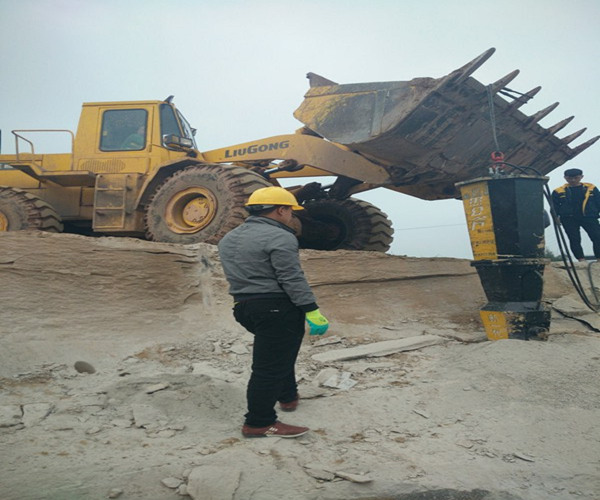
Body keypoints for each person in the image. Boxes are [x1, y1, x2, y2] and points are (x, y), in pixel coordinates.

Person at [217, 186, 329, 438]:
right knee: (268, 368)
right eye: (290, 211)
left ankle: (288, 396)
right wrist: (311, 309)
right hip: (276, 308)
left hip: (243, 306)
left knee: (279, 353)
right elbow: (291, 278)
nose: (291, 216)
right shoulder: (280, 237)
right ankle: (259, 422)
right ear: (281, 210)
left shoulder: (229, 238)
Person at [552, 168, 600, 262]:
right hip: (568, 218)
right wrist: (555, 218)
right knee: (574, 239)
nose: (573, 180)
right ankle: (581, 259)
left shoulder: (591, 188)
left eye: (576, 177)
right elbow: (554, 207)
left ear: (581, 177)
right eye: (570, 178)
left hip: (589, 217)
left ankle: (599, 258)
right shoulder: (558, 191)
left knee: (597, 236)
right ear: (565, 178)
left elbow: (598, 202)